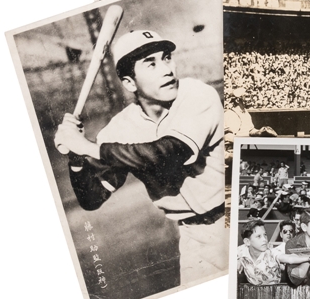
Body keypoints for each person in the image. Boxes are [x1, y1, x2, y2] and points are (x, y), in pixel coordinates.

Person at [53, 29, 226, 285]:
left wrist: (87, 146)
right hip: (194, 237)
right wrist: (76, 156)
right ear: (130, 83)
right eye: (151, 64)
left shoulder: (197, 95)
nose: (167, 69)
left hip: (233, 220)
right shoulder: (120, 128)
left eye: (166, 57)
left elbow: (166, 153)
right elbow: (92, 198)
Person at [237, 220, 281, 285]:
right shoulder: (241, 251)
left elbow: (288, 258)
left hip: (276, 289)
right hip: (253, 291)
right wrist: (237, 260)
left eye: (265, 235)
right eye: (259, 236)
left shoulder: (272, 251)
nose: (265, 239)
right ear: (247, 242)